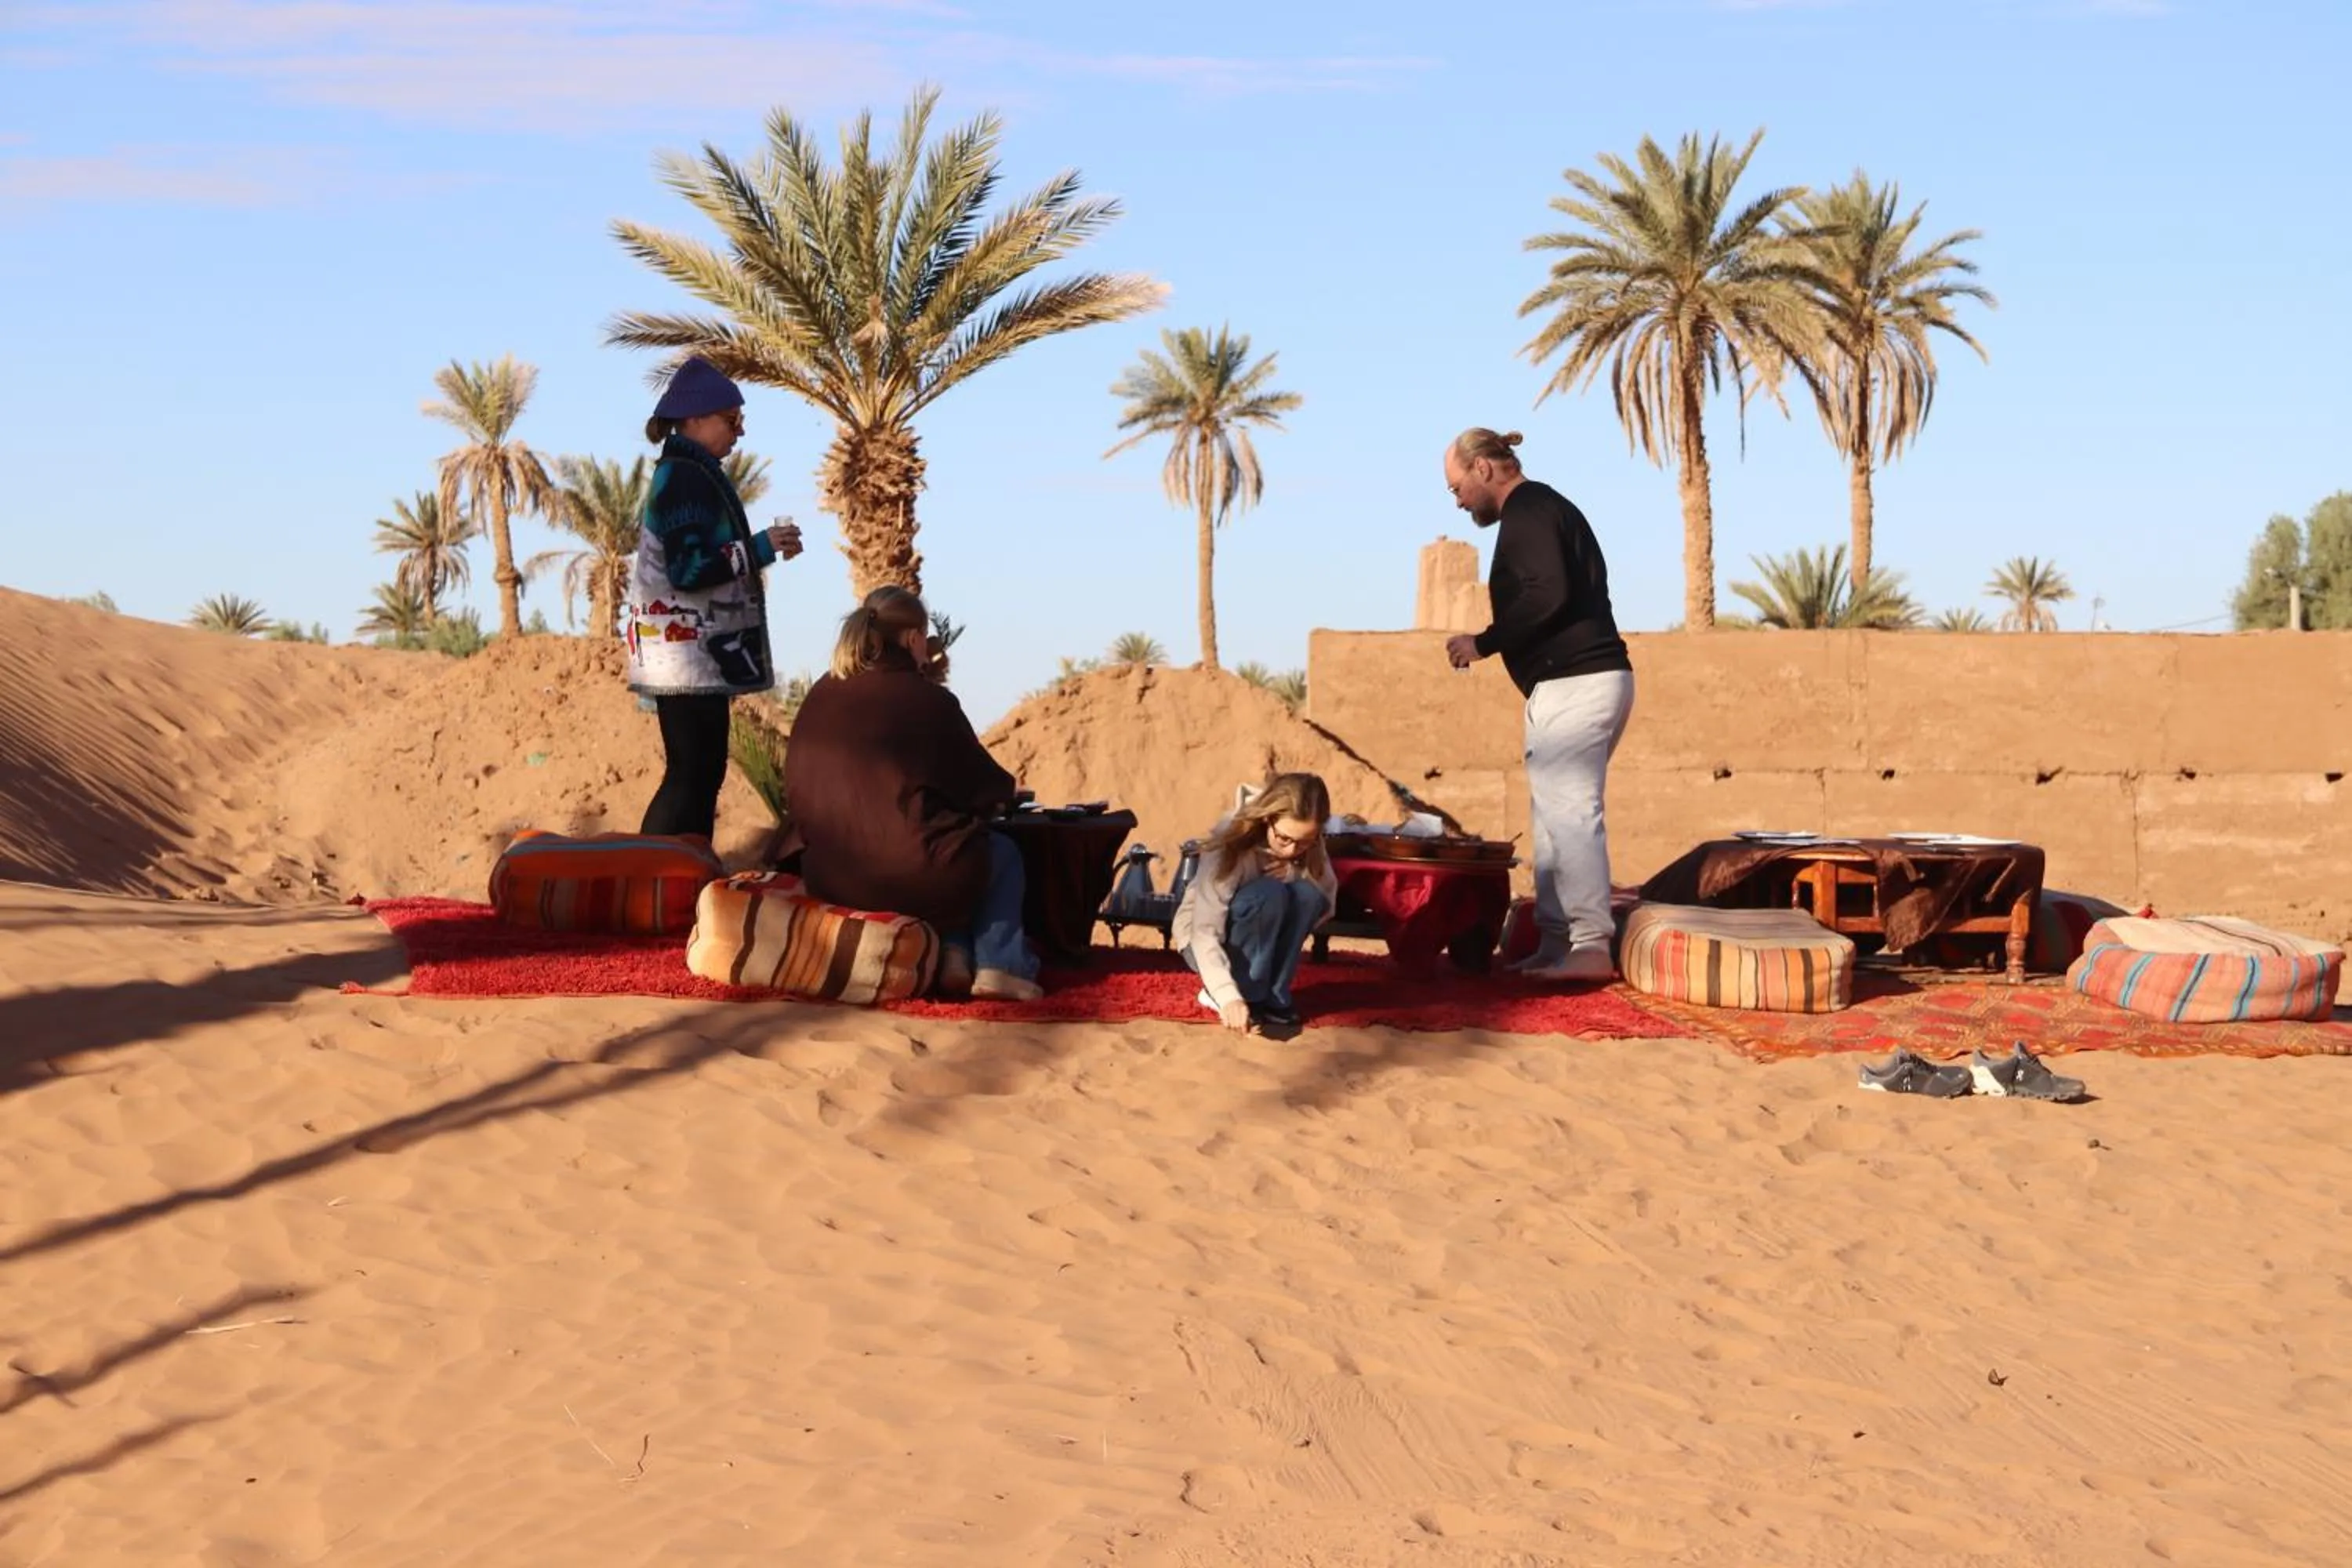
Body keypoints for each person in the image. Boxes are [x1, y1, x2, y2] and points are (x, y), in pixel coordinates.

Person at [782, 587, 1043, 1002]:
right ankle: (999, 965)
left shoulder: (821, 694)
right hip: (908, 878)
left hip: (828, 876)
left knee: (939, 844)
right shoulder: (929, 700)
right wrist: (1007, 792)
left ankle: (951, 951)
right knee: (997, 854)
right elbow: (982, 784)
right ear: (911, 639)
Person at [1441, 427, 1634, 983]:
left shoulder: (1530, 510)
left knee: (1571, 813)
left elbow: (1547, 593)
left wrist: (1484, 642)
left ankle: (1591, 945)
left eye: (1457, 487)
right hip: (1571, 685)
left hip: (1579, 682)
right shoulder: (1538, 510)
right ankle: (1556, 944)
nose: (1457, 501)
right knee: (1550, 819)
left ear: (1483, 469)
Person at [626, 355, 804, 840]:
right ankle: (657, 882)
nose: (740, 432)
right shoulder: (684, 476)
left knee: (698, 773)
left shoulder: (689, 471)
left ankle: (673, 880)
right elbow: (689, 569)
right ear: (695, 418)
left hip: (688, 656)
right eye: (732, 420)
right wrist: (760, 548)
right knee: (692, 774)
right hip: (685, 657)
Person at [1171, 773, 1338, 1036]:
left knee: (1307, 894)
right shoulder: (1230, 843)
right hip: (1204, 944)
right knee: (1268, 893)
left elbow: (1326, 901)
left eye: (1305, 842)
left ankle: (1273, 996)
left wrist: (1295, 874)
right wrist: (1227, 995)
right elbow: (1205, 932)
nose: (1292, 849)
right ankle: (1245, 993)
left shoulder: (1308, 842)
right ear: (1266, 820)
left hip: (1263, 936)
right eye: (1284, 839)